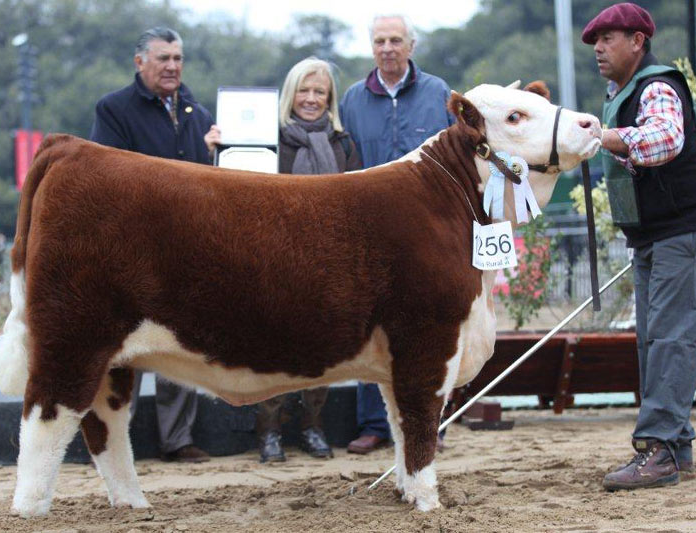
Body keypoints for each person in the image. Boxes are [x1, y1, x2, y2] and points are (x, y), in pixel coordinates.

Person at [582, 3, 696, 490]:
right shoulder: (621, 92)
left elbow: (665, 139)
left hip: (686, 228)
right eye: (595, 41)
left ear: (637, 42)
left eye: (608, 38)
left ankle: (659, 451)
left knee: (669, 338)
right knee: (656, 339)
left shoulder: (657, 85)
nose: (598, 48)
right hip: (657, 233)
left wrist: (605, 138)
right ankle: (677, 446)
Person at [205, 57, 362, 462]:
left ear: (329, 99)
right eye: (304, 91)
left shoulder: (344, 144)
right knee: (272, 349)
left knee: (322, 352)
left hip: (328, 265)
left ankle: (312, 427)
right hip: (274, 263)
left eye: (319, 92)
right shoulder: (264, 139)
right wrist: (218, 150)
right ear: (290, 94)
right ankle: (269, 432)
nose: (311, 99)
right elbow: (234, 188)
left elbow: (356, 206)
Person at [90, 26, 214, 463]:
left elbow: (209, 181)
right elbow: (110, 177)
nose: (173, 66)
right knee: (125, 345)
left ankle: (177, 439)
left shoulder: (198, 111)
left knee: (179, 343)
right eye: (163, 58)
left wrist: (215, 154)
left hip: (187, 249)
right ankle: (114, 439)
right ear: (139, 62)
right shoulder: (114, 109)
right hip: (135, 251)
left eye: (178, 58)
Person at [339, 14, 455, 455]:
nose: (387, 48)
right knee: (367, 327)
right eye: (379, 41)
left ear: (411, 45)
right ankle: (373, 425)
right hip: (367, 234)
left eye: (395, 40)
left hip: (426, 231)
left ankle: (430, 423)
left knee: (427, 329)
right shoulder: (351, 100)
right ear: (372, 47)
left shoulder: (439, 93)